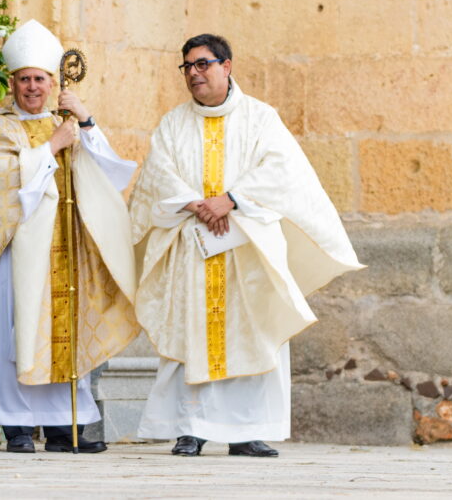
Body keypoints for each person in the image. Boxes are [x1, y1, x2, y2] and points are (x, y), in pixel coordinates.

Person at [0, 20, 140, 454]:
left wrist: (85, 121)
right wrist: (51, 147)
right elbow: (2, 185)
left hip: (65, 250)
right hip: (14, 251)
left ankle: (60, 429)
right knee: (13, 334)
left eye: (40, 79)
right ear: (12, 83)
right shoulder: (1, 130)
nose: (32, 87)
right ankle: (15, 427)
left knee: (61, 333)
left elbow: (109, 171)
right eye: (24, 79)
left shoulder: (68, 123)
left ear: (54, 83)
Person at [130, 33, 364, 457]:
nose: (194, 74)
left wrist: (231, 200)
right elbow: (158, 173)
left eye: (203, 64)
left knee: (251, 333)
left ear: (227, 66)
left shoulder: (261, 118)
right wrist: (196, 204)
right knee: (192, 333)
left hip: (247, 248)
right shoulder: (172, 123)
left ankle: (246, 431)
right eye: (188, 67)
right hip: (195, 246)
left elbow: (283, 170)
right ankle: (191, 428)